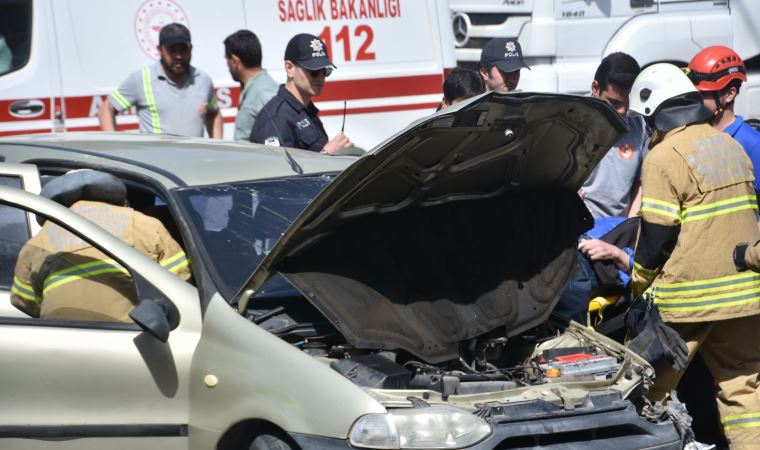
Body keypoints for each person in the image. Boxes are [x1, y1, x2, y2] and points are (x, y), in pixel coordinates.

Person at [628, 63, 760, 449]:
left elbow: (656, 236)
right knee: (745, 390)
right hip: (745, 294)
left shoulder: (664, 156)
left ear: (655, 113)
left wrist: (637, 284)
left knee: (644, 389)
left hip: (688, 302)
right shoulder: (731, 144)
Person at [10, 170, 191, 322]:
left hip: (63, 339)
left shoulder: (36, 243)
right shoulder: (145, 224)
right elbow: (181, 280)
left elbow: (25, 302)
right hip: (136, 336)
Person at [98, 23, 222, 138]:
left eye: (183, 50)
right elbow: (106, 109)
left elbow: (213, 113)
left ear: (191, 49)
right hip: (156, 161)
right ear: (160, 50)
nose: (178, 56)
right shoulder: (142, 79)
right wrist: (113, 143)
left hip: (195, 160)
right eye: (172, 50)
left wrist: (217, 147)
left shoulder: (203, 79)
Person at [250, 33, 352, 154]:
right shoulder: (277, 119)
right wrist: (326, 154)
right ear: (289, 68)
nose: (320, 77)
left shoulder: (306, 110)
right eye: (314, 71)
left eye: (325, 71)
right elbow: (279, 169)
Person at [687, 45, 760, 201]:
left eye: (702, 95)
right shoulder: (692, 136)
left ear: (729, 94)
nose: (695, 102)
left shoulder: (753, 144)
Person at [580, 52, 648, 218]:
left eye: (628, 102)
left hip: (620, 229)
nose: (623, 111)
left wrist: (629, 225)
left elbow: (641, 183)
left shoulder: (639, 123)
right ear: (595, 89)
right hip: (578, 225)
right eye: (615, 103)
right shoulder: (571, 122)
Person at [224, 30, 278, 141]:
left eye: (227, 60)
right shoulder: (254, 89)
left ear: (234, 61)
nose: (227, 65)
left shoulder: (264, 93)